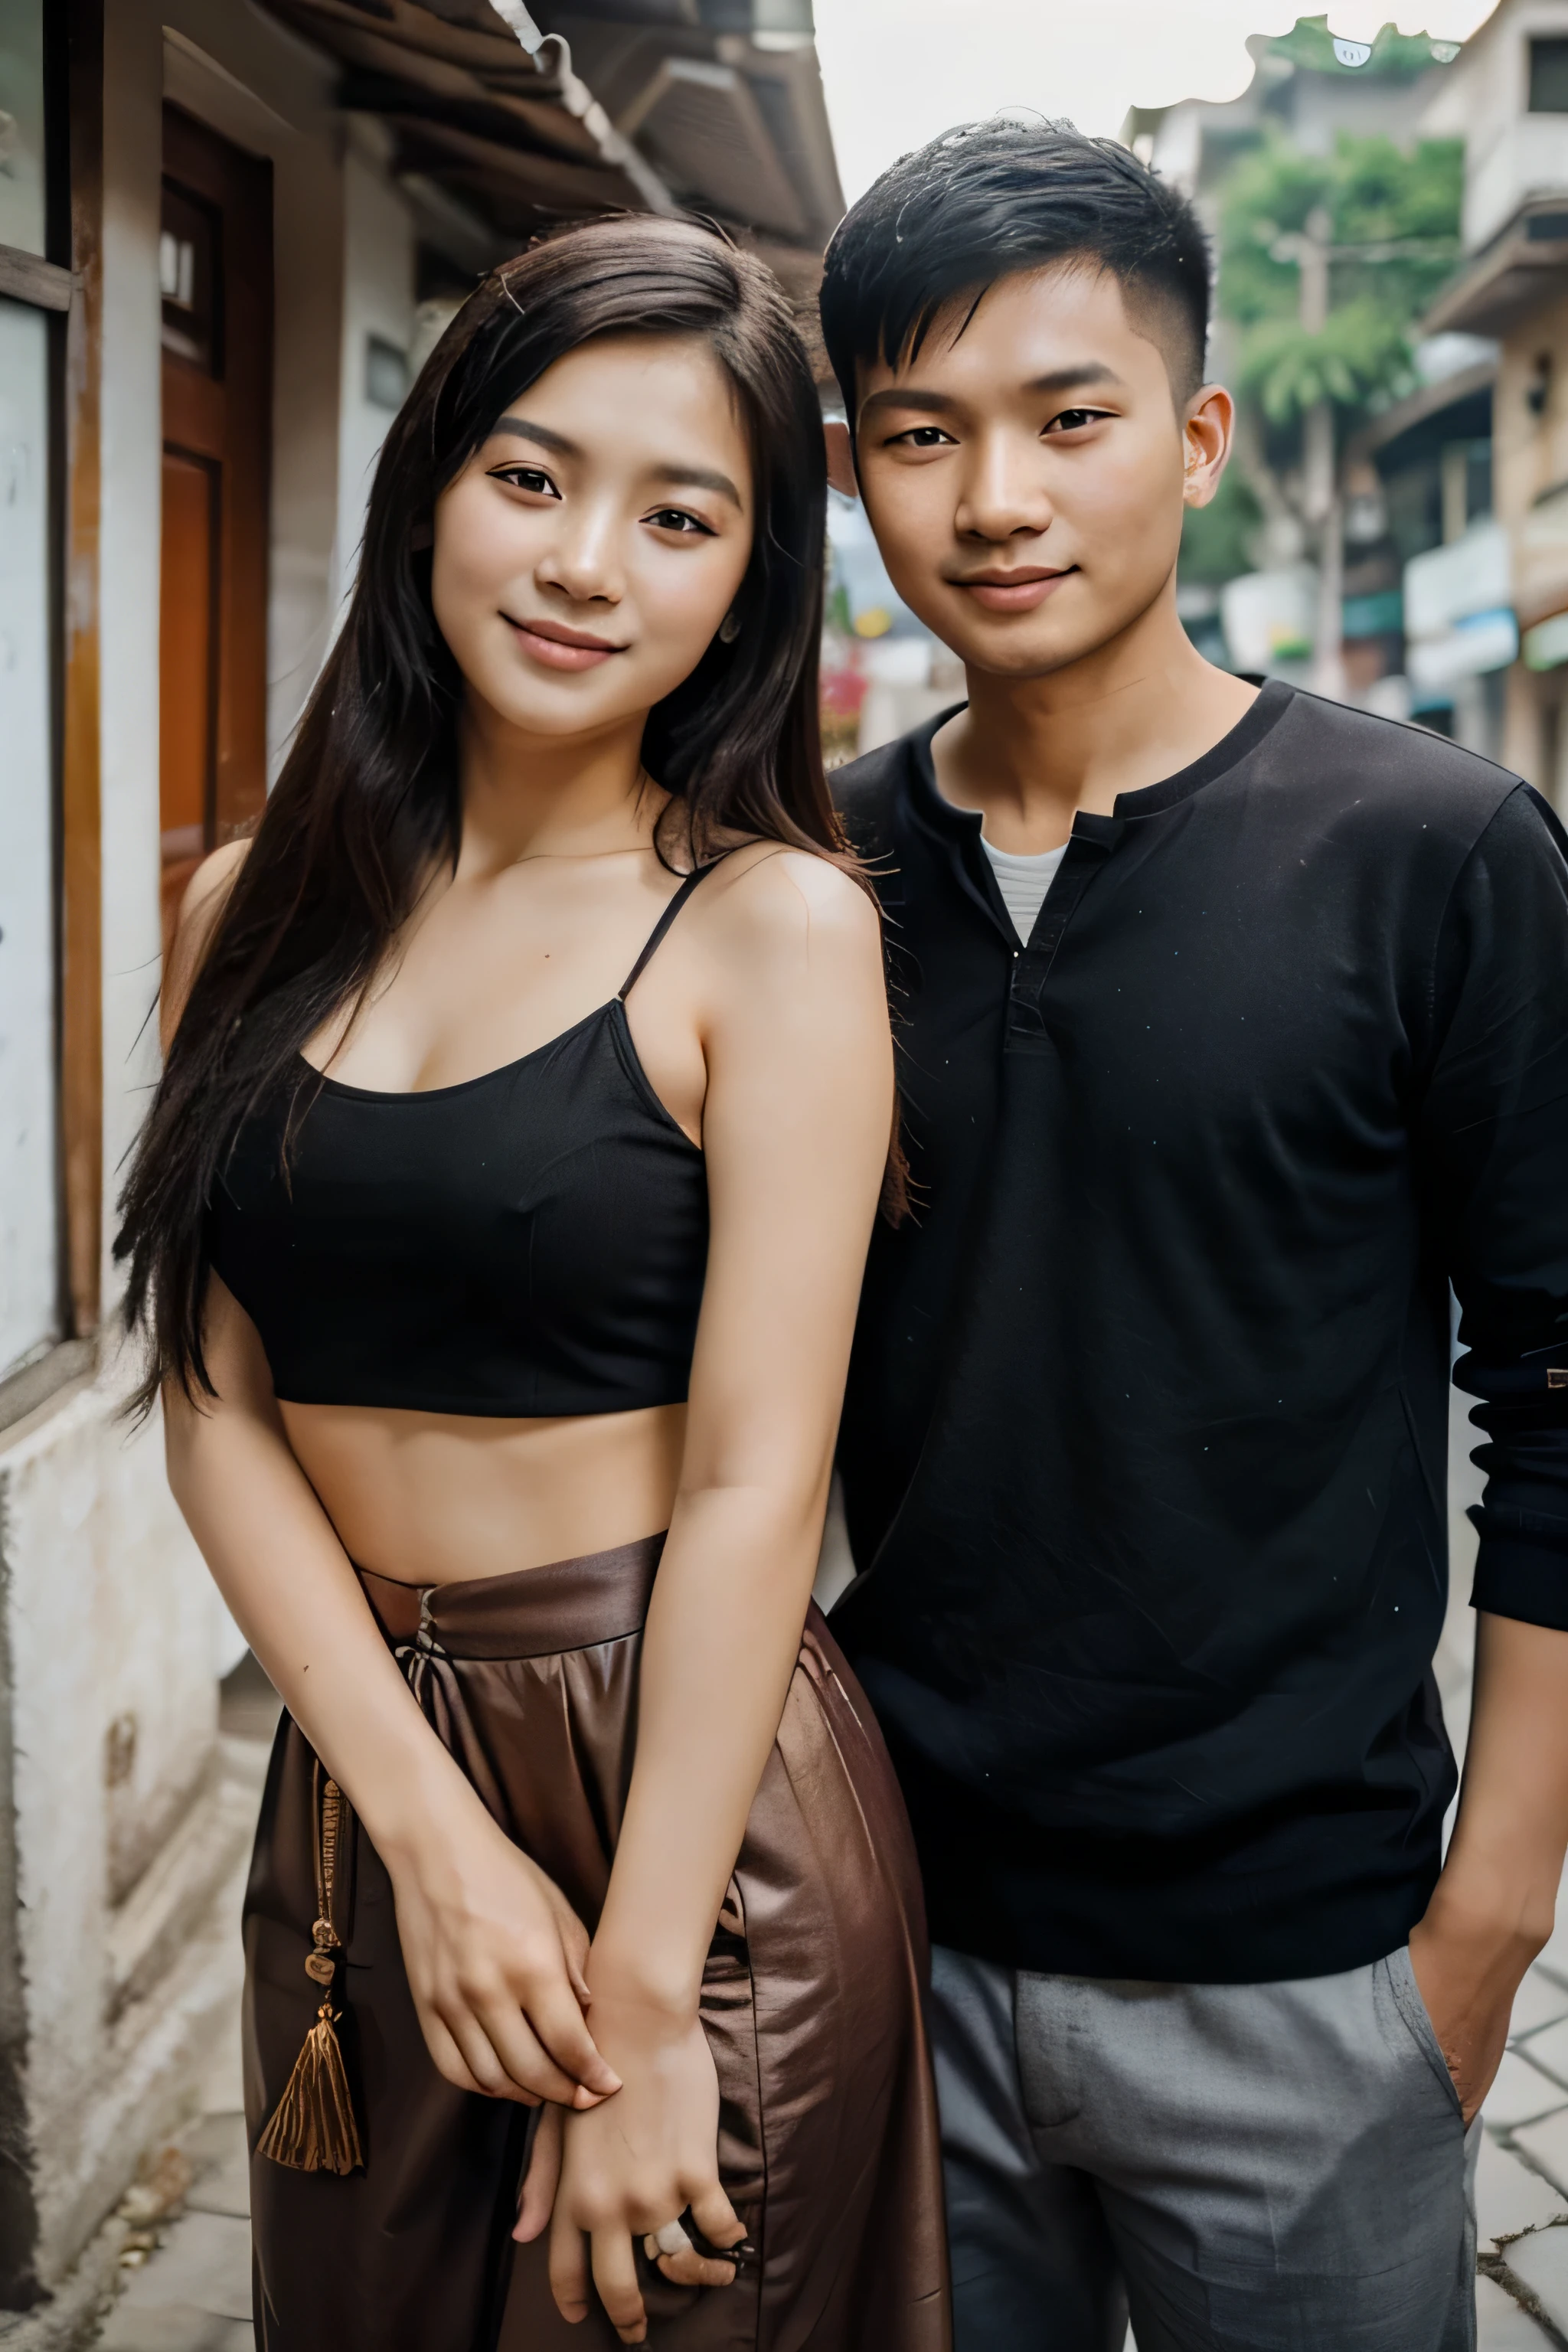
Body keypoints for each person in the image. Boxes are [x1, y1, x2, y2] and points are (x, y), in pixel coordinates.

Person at [117, 215, 947, 2352]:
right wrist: (421, 1828)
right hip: (359, 1798)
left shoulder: (772, 933)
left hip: (681, 1798)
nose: (588, 561)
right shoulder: (247, 908)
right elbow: (217, 1405)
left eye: (680, 517)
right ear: (433, 488)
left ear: (752, 584)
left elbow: (769, 1482)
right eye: (534, 475)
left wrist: (653, 1993)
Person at [816, 119, 1568, 2352]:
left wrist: (1488, 1927)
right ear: (856, 475)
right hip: (904, 1949)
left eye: (1071, 419)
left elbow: (1554, 1386)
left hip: (1313, 1979)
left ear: (1200, 437)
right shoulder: (803, 888)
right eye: (921, 437)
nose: (998, 500)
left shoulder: (1431, 848)